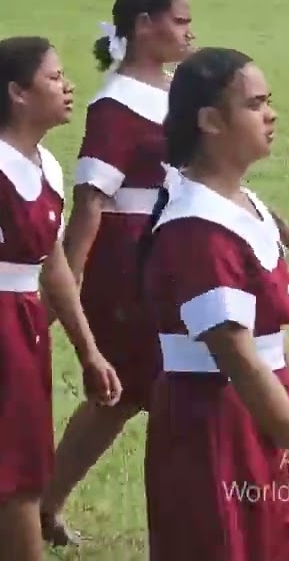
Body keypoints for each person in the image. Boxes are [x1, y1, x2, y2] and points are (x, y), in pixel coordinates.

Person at [41, 0, 289, 548]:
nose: (190, 31)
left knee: (139, 388)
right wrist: (69, 288)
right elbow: (90, 201)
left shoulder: (175, 91)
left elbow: (204, 175)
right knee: (127, 388)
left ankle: (52, 500)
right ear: (144, 25)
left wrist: (281, 229)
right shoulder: (115, 104)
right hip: (130, 260)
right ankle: (50, 499)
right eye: (180, 20)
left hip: (174, 249)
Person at [140, 47, 289, 561]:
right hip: (217, 429)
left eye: (269, 101)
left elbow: (274, 342)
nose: (271, 114)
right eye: (255, 104)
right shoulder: (196, 226)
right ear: (211, 121)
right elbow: (237, 357)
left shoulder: (246, 203)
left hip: (266, 415)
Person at [0, 36, 122, 561]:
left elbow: (53, 267)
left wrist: (88, 351)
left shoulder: (46, 164)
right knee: (13, 475)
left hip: (23, 327)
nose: (68, 86)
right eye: (53, 77)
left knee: (24, 468)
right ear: (17, 93)